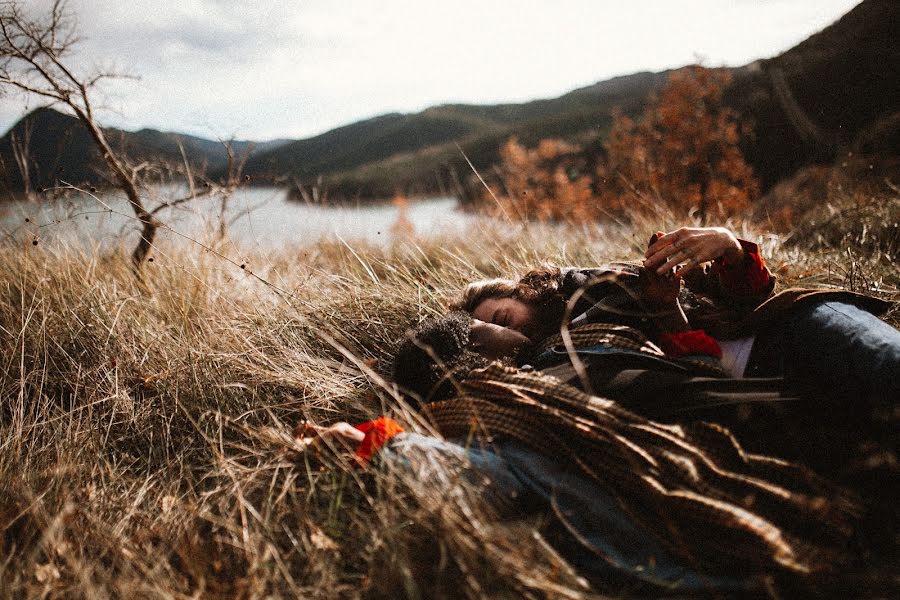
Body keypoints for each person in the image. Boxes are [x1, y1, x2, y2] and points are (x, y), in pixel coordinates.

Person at [297, 312, 862, 595]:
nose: (496, 327)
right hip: (688, 572)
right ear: (463, 356)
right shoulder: (492, 416)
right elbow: (486, 478)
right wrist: (377, 443)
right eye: (483, 326)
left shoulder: (524, 399)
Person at [451, 226, 900, 410]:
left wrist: (728, 247)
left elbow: (749, 298)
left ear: (525, 293)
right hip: (761, 394)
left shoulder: (596, 287)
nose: (514, 330)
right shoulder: (558, 369)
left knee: (888, 366)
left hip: (790, 331)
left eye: (506, 315)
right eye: (498, 331)